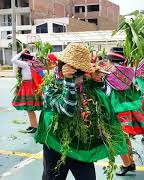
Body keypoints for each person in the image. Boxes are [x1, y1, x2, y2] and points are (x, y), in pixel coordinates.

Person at [35, 43, 127, 180]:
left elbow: (106, 104)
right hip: (57, 146)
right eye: (78, 71)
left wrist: (98, 81)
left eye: (83, 71)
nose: (82, 75)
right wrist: (68, 81)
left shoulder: (86, 84)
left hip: (82, 146)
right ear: (64, 66)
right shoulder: (50, 87)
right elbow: (67, 109)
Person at [103, 47, 144, 176]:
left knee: (118, 138)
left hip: (116, 110)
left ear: (111, 60)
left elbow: (106, 92)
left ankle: (127, 164)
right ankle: (131, 162)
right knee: (125, 137)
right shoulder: (129, 71)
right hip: (128, 109)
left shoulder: (109, 73)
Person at [11, 49, 44, 133]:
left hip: (28, 86)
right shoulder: (32, 63)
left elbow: (13, 60)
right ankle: (33, 125)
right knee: (28, 108)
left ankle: (35, 126)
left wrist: (21, 53)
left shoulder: (25, 64)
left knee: (29, 108)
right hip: (30, 85)